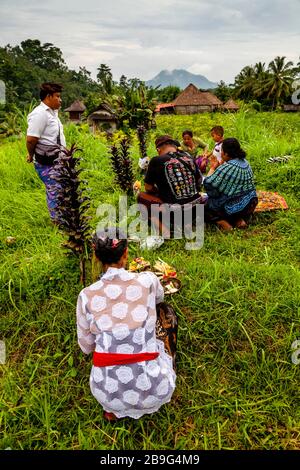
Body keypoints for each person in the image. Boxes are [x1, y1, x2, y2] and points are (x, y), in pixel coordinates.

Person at [76, 228, 178, 421]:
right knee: (167, 313)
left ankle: (113, 410)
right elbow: (159, 298)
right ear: (126, 253)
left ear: (95, 255)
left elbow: (86, 347)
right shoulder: (147, 280)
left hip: (105, 393)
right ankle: (159, 377)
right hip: (155, 389)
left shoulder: (86, 296)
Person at [137, 135, 203, 234]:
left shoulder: (156, 160)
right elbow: (199, 181)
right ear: (175, 147)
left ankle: (165, 231)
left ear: (158, 149)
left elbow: (148, 188)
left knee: (141, 196)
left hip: (176, 214)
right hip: (197, 209)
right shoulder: (189, 157)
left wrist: (159, 191)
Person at [26, 82, 66, 222]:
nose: (60, 100)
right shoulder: (40, 114)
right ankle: (57, 222)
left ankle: (63, 219)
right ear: (48, 97)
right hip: (47, 162)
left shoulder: (53, 113)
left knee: (61, 189)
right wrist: (31, 155)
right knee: (54, 190)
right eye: (57, 96)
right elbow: (31, 139)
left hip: (57, 160)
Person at [204, 138, 258, 231]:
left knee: (207, 207)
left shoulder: (228, 167)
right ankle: (239, 220)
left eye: (221, 151)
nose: (220, 153)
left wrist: (212, 168)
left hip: (232, 207)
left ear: (226, 153)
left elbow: (209, 184)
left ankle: (225, 225)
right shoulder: (245, 162)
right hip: (250, 204)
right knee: (230, 199)